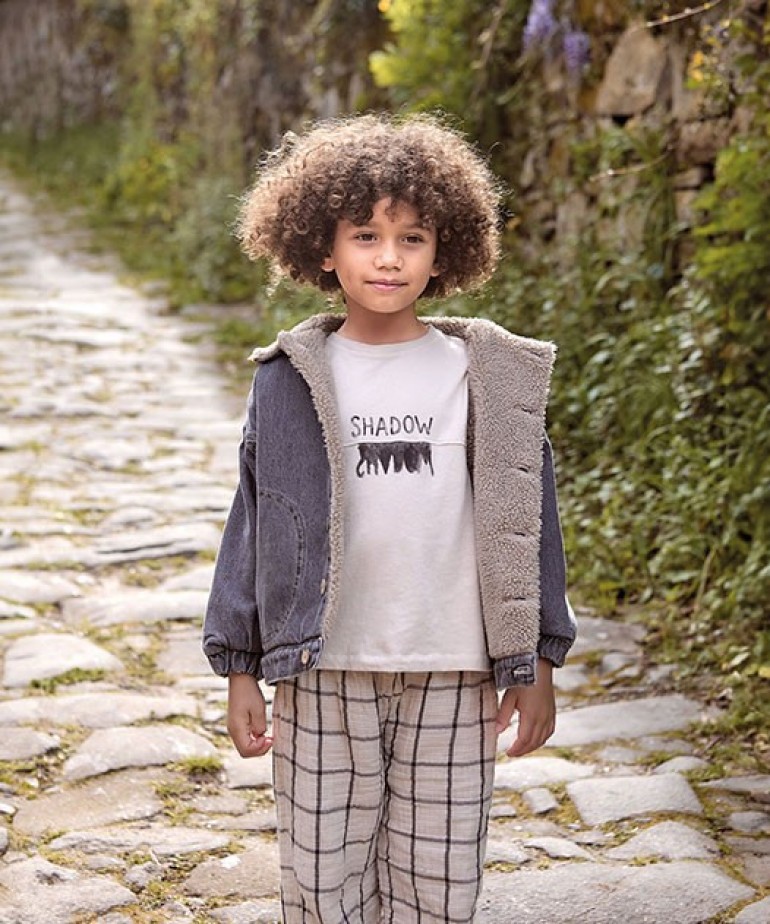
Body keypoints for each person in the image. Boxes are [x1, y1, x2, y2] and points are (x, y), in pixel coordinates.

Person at [202, 112, 577, 924]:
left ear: (446, 250)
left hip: (456, 668)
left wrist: (538, 659)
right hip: (323, 665)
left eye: (412, 238)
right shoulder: (289, 379)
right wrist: (239, 663)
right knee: (322, 876)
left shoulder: (488, 376)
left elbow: (530, 521)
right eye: (365, 235)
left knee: (439, 882)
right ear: (322, 247)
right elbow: (252, 521)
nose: (387, 258)